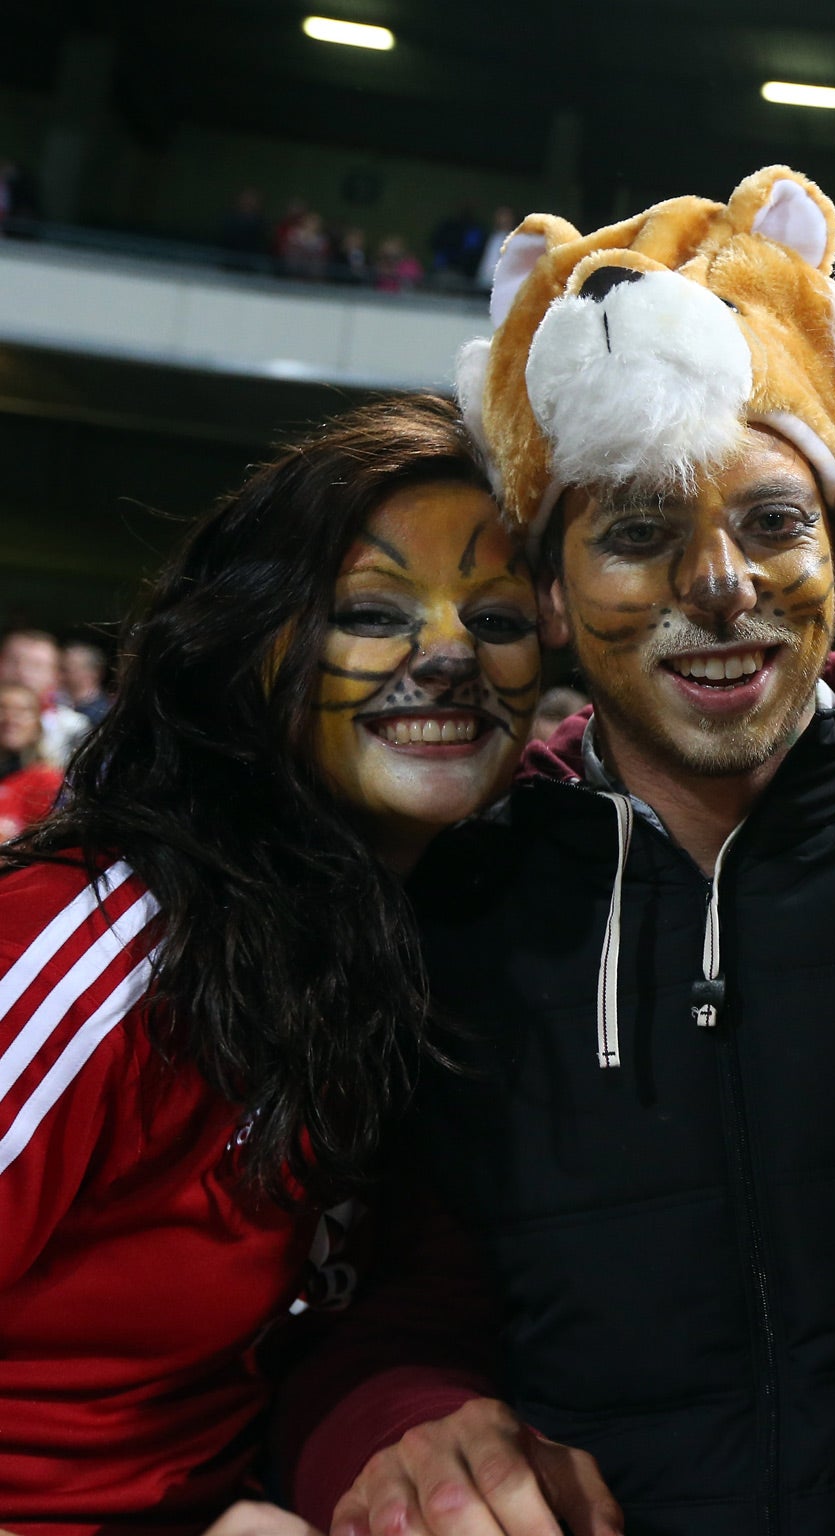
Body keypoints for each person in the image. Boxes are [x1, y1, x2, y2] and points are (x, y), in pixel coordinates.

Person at [278, 167, 835, 1536]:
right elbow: (367, 1297)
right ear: (549, 590)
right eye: (641, 532)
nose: (720, 585)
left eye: (773, 521)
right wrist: (385, 1418)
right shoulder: (450, 896)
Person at [0, 395, 540, 1534]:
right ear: (249, 644)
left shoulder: (406, 954)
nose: (446, 654)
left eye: (496, 619)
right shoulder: (98, 941)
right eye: (370, 610)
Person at [0, 630, 89, 767]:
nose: (22, 672)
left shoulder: (73, 728)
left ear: (56, 675)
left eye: (36, 666)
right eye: (14, 661)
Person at [0, 681, 61, 838]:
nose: (10, 719)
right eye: (2, 709)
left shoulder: (47, 781)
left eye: (22, 711)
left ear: (37, 725)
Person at [59, 640, 110, 726]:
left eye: (66, 669)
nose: (59, 674)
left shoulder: (103, 714)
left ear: (92, 673)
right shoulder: (58, 705)